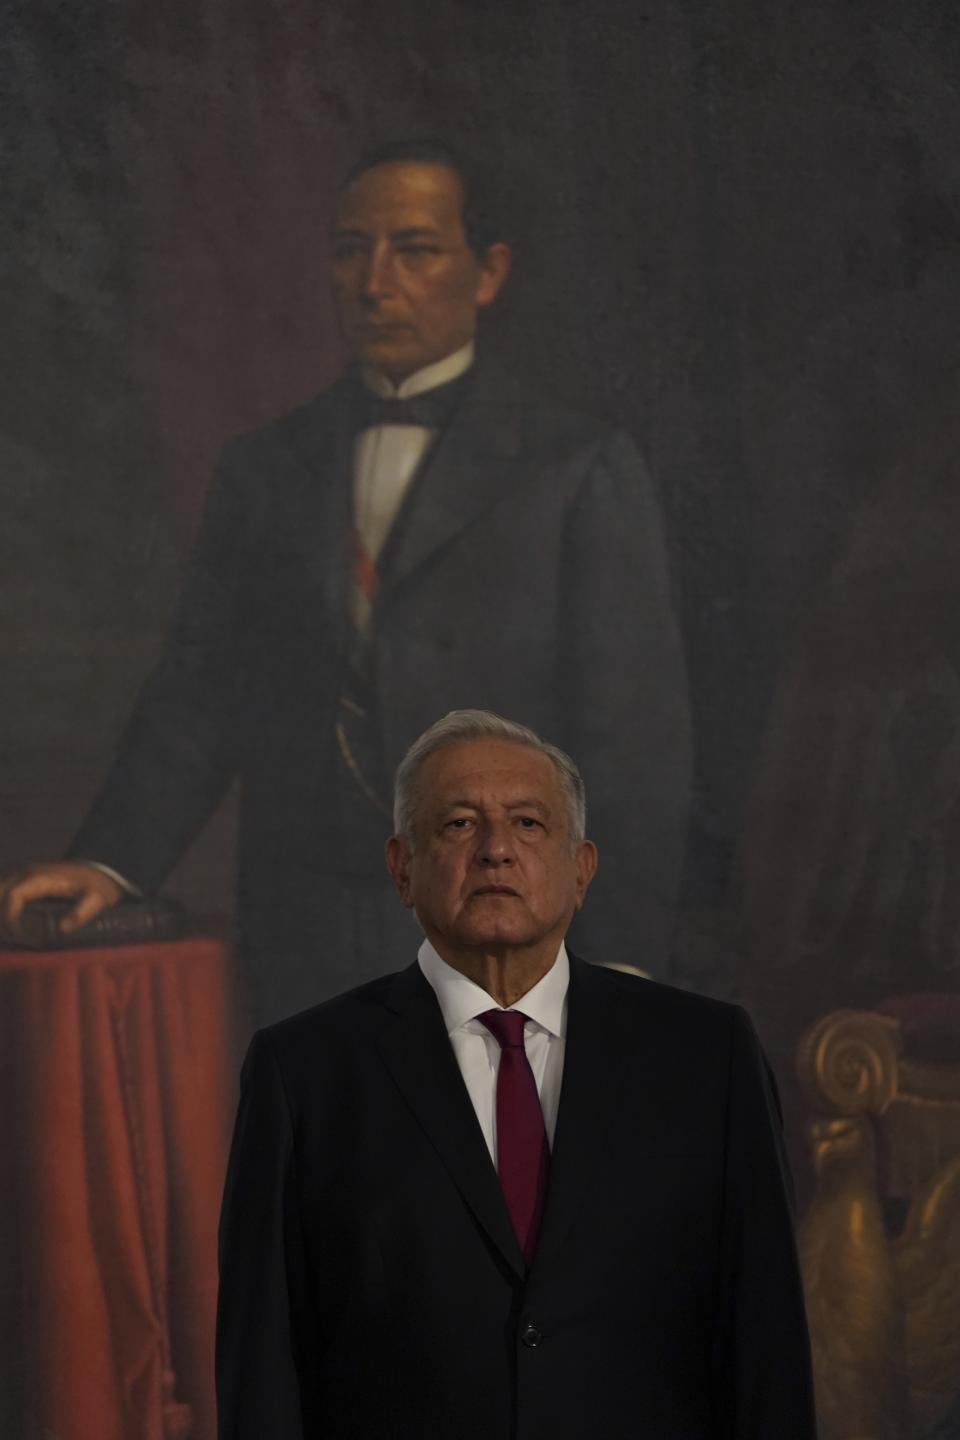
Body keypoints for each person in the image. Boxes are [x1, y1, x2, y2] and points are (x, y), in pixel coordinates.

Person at [0, 141, 691, 1025]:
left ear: (488, 273)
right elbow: (198, 693)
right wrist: (109, 862)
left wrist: (621, 961)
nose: (374, 282)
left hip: (507, 931)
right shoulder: (266, 467)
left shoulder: (580, 467)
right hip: (301, 930)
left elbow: (634, 745)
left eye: (414, 249)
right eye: (349, 251)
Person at [215, 709, 816, 1439]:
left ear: (582, 868)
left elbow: (768, 1351)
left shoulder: (706, 1056)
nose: (496, 850)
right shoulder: (302, 1074)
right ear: (402, 868)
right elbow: (262, 1371)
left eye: (529, 824)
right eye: (460, 824)